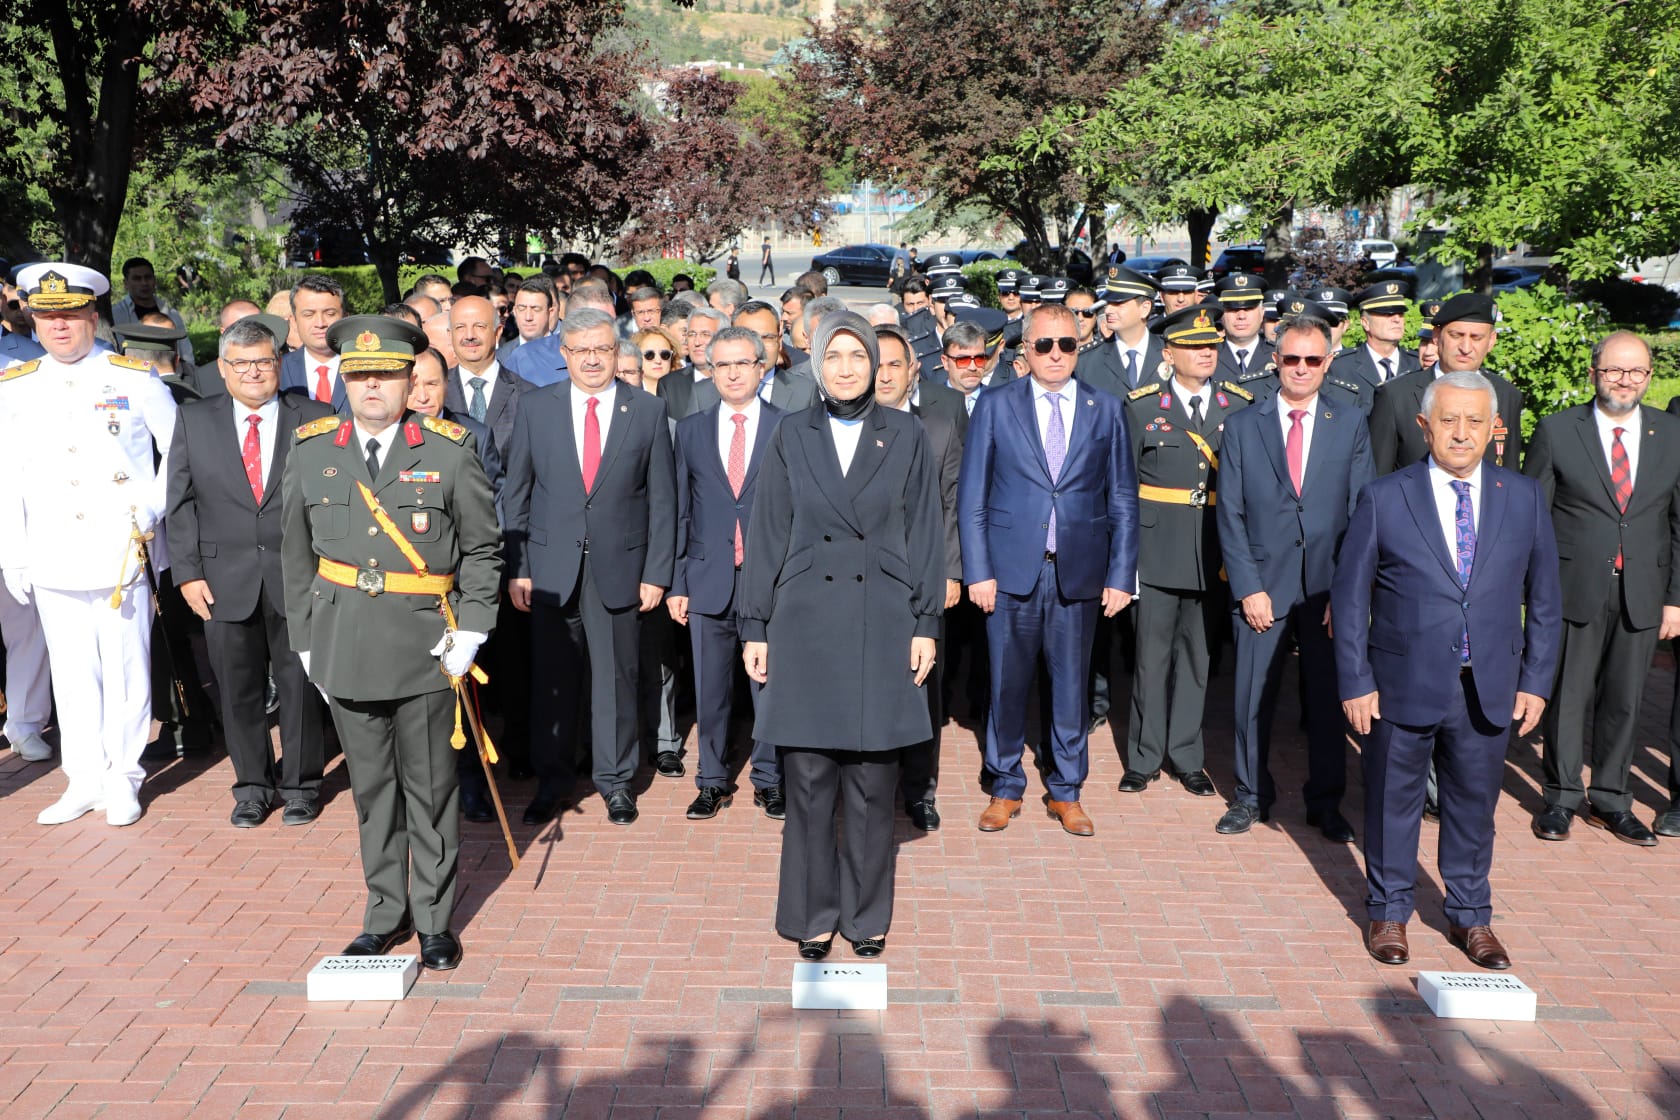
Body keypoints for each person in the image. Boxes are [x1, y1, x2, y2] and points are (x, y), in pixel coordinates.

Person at [280, 313, 502, 970]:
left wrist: (474, 628)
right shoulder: (313, 449)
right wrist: (306, 642)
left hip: (426, 646)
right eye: (360, 375)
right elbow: (295, 556)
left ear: (411, 380)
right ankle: (385, 913)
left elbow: (485, 549)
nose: (372, 387)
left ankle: (435, 918)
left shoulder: (448, 449)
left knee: (431, 788)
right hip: (344, 642)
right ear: (343, 379)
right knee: (373, 790)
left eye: (386, 375)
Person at [1332, 370, 1561, 971]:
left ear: (1495, 429)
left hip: (1488, 684)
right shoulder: (1385, 496)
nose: (1462, 434)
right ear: (1425, 425)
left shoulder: (1524, 497)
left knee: (1474, 806)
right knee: (1391, 803)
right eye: (1450, 420)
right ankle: (1387, 911)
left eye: (1475, 422)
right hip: (1401, 683)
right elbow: (1351, 598)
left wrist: (1536, 680)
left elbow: (1545, 601)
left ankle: (1471, 916)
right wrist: (1356, 680)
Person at [739, 311, 943, 959]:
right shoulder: (791, 434)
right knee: (806, 782)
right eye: (836, 356)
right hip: (804, 625)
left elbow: (925, 534)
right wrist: (755, 625)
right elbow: (767, 530)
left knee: (872, 782)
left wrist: (926, 621)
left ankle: (864, 915)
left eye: (860, 356)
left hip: (882, 621)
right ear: (816, 363)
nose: (849, 368)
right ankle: (811, 913)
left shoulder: (906, 434)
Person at [0, 264, 178, 827]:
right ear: (32, 316)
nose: (58, 326)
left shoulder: (133, 376)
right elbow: (8, 474)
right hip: (52, 549)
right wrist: (14, 551)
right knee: (72, 675)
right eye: (47, 316)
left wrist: (149, 511)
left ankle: (123, 777)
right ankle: (83, 777)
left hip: (120, 547)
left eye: (71, 317)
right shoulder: (17, 385)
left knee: (126, 667)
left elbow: (179, 452)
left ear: (93, 316)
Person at [958, 303, 1139, 836]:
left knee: (1071, 688)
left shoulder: (1105, 408)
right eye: (1044, 345)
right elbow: (973, 497)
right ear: (1025, 349)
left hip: (1079, 571)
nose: (1055, 355)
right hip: (1011, 570)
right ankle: (1005, 784)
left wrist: (1120, 574)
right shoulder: (995, 404)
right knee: (1006, 683)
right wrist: (978, 570)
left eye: (1066, 345)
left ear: (1078, 348)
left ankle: (1066, 789)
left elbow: (1123, 497)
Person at [504, 308, 677, 827]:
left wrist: (657, 572)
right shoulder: (537, 408)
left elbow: (663, 500)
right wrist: (519, 566)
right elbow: (519, 492)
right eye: (581, 350)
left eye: (602, 349)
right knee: (552, 681)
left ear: (615, 351)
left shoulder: (645, 411)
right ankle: (553, 781)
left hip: (621, 568)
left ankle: (616, 781)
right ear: (565, 356)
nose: (593, 360)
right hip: (550, 572)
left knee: (617, 681)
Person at [167, 314, 333, 827]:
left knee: (299, 685)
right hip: (222, 580)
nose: (254, 372)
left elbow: (335, 498)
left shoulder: (315, 415)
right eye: (242, 364)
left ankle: (302, 784)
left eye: (264, 361)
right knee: (237, 690)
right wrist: (188, 573)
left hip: (300, 576)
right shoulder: (195, 420)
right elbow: (180, 502)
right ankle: (252, 787)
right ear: (223, 368)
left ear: (278, 362)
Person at [1216, 314, 1373, 840]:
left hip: (1329, 588)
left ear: (1328, 362)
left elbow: (1362, 514)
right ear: (1275, 360)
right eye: (1291, 358)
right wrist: (1248, 587)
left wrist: (1349, 596)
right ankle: (1249, 795)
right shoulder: (1242, 425)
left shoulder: (1350, 422)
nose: (1301, 369)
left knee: (1328, 698)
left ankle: (1326, 803)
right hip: (1264, 584)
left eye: (1313, 359)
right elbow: (1230, 515)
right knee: (1251, 697)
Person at [1525, 332, 1680, 846]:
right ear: (1595, 372)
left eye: (1636, 372)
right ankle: (1562, 797)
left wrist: (1675, 598)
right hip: (1575, 586)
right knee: (1568, 696)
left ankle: (1612, 798)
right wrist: (1535, 592)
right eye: (1615, 370)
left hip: (1643, 589)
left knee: (1626, 700)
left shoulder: (1671, 433)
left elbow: (1679, 524)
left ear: (1649, 376)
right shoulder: (1557, 431)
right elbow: (1535, 520)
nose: (1625, 381)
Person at [1120, 305, 1250, 801]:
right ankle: (1143, 758)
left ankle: (1188, 758)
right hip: (1155, 550)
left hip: (1212, 550)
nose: (1205, 355)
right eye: (1194, 348)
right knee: (1150, 660)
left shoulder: (1237, 404)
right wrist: (1124, 561)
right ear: (1168, 353)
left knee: (1198, 660)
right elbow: (1124, 489)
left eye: (1210, 347)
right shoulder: (1140, 407)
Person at [669, 326, 788, 821]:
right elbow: (680, 509)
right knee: (711, 689)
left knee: (771, 687)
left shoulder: (790, 426)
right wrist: (677, 581)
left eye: (743, 363)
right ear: (709, 371)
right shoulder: (692, 429)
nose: (733, 373)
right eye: (722, 364)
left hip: (771, 580)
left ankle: (770, 779)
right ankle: (712, 780)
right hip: (707, 577)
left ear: (763, 368)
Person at [875, 324, 963, 832]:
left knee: (920, 687)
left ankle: (919, 789)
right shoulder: (844, 426)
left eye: (895, 365)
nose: (885, 375)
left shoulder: (938, 428)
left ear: (914, 371)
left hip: (921, 581)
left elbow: (951, 505)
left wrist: (951, 571)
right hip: (861, 581)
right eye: (877, 364)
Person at [1368, 294, 1524, 473]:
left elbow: (1509, 474)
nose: (1465, 347)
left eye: (1476, 338)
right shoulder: (1396, 396)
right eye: (1456, 335)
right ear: (1436, 336)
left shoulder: (1506, 394)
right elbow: (1377, 479)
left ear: (1491, 341)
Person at [1331, 282, 1421, 412]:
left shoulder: (1417, 364)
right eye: (1387, 314)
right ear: (1365, 323)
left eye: (1400, 314)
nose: (1397, 319)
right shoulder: (1340, 367)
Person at [278, 274, 349, 410]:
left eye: (329, 313)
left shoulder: (365, 368)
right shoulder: (278, 370)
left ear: (345, 318)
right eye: (309, 315)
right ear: (293, 321)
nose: (320, 323)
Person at [111, 256, 194, 367]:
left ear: (154, 280)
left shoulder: (170, 313)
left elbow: (186, 352)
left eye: (148, 277)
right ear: (125, 283)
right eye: (137, 278)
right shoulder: (116, 315)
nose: (144, 283)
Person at [634, 325, 682, 394]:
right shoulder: (627, 394)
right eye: (649, 355)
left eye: (665, 354)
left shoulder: (684, 392)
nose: (658, 361)